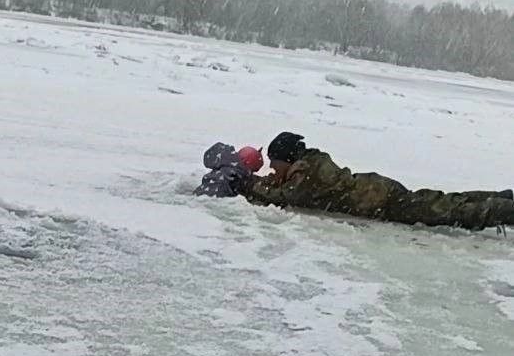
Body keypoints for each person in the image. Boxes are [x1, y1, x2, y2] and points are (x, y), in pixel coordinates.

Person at [246, 132, 514, 230]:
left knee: (444, 211)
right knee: (439, 201)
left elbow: (289, 197)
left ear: (288, 159)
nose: (271, 167)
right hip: (379, 191)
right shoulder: (309, 165)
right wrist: (263, 182)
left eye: (274, 162)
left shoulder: (307, 175)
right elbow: (287, 187)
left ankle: (502, 210)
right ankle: (499, 197)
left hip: (382, 201)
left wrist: (250, 187)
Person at [194, 143, 263, 198]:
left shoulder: (226, 166)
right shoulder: (235, 175)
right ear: (247, 164)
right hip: (209, 201)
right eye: (253, 170)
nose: (251, 173)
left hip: (200, 194)